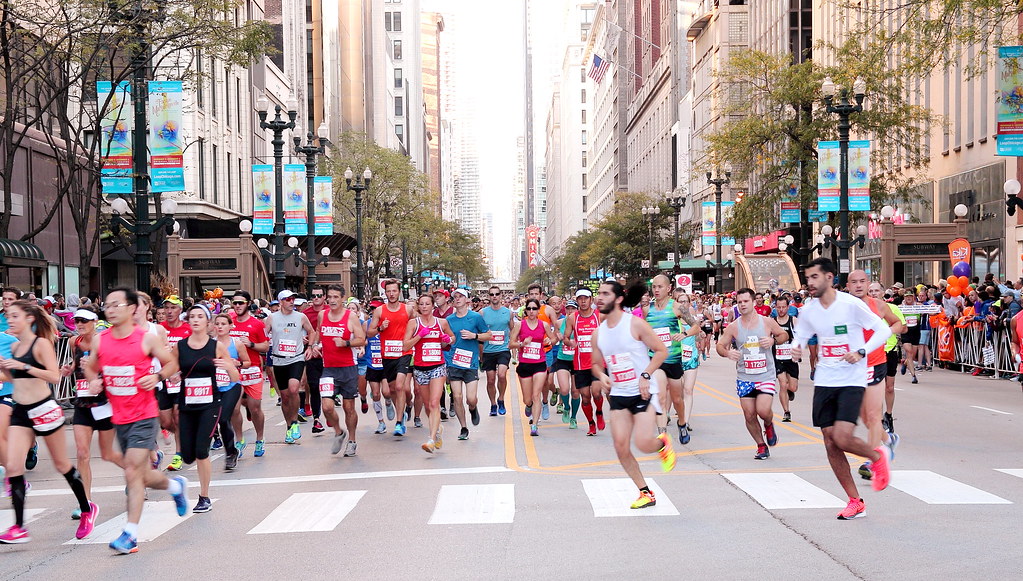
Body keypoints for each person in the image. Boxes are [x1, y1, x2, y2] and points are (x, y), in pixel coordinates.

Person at [83, 288, 189, 553]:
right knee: (141, 475)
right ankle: (175, 486)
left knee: (131, 469)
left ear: (132, 308)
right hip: (119, 416)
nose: (110, 309)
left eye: (116, 304)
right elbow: (90, 366)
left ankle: (129, 534)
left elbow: (172, 364)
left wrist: (157, 377)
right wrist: (94, 380)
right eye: (107, 305)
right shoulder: (100, 340)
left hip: (144, 414)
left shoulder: (145, 339)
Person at [790, 259, 894, 520]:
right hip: (825, 380)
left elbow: (883, 330)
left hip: (851, 379)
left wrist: (862, 351)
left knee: (842, 436)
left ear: (829, 277)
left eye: (815, 277)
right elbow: (801, 334)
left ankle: (876, 456)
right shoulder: (809, 310)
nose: (810, 283)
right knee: (829, 441)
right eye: (808, 278)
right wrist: (796, 346)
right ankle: (855, 501)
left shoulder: (851, 305)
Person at [0, 300, 96, 543]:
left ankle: (87, 508)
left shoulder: (41, 344)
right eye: (8, 315)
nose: (9, 319)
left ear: (29, 319)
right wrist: (6, 369)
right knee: (13, 467)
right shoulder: (15, 346)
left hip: (43, 408)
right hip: (21, 411)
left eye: (14, 315)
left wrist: (22, 365)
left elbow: (54, 376)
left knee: (62, 465)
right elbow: (15, 376)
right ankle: (19, 527)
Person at [590, 281, 676, 510]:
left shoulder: (635, 324)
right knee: (620, 446)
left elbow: (661, 351)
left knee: (643, 443)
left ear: (618, 299)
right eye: (598, 294)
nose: (599, 298)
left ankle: (661, 443)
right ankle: (645, 492)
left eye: (605, 294)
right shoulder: (598, 333)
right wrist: (601, 375)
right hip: (618, 394)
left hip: (642, 392)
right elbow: (595, 364)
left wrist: (646, 375)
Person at [62, 305, 124, 519]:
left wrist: (97, 368)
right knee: (82, 453)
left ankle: (136, 477)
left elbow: (116, 366)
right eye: (77, 321)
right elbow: (75, 361)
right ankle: (85, 503)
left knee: (109, 454)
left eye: (84, 321)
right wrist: (70, 367)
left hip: (104, 402)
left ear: (94, 323)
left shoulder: (105, 341)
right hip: (82, 403)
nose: (79, 325)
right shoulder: (74, 342)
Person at [176, 305, 238, 512]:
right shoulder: (180, 346)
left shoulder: (216, 346)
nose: (195, 320)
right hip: (187, 404)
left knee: (202, 450)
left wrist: (228, 367)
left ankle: (204, 497)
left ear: (207, 322)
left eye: (200, 316)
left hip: (210, 404)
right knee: (187, 455)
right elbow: (168, 366)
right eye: (191, 316)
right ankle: (186, 482)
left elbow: (235, 378)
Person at [717, 288, 789, 460]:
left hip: (765, 374)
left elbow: (784, 335)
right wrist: (728, 353)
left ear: (753, 302)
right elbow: (720, 346)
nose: (742, 305)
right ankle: (761, 445)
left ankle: (769, 424)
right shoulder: (734, 326)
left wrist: (773, 340)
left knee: (763, 410)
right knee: (749, 414)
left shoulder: (766, 322)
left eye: (745, 301)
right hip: (745, 376)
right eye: (739, 302)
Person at [847, 271, 905, 481]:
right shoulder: (843, 306)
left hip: (875, 363)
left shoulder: (878, 305)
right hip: (852, 366)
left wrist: (886, 332)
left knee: (872, 415)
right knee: (864, 416)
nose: (859, 285)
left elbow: (899, 324)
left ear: (869, 284)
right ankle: (889, 438)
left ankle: (872, 461)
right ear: (848, 285)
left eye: (863, 281)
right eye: (854, 282)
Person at [644, 275, 699, 443]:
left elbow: (696, 326)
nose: (657, 290)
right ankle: (662, 434)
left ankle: (682, 423)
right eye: (654, 287)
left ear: (668, 289)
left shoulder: (677, 308)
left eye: (660, 287)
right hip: (656, 360)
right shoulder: (647, 309)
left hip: (674, 359)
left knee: (677, 399)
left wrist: (684, 334)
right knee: (660, 396)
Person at [317, 284, 366, 457]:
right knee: (327, 407)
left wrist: (346, 343)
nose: (331, 300)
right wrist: (314, 346)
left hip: (348, 368)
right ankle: (339, 432)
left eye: (335, 297)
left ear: (343, 299)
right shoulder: (322, 314)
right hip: (328, 369)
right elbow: (318, 332)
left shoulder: (350, 316)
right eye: (329, 297)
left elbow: (362, 340)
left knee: (348, 407)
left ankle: (352, 441)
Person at [403, 295, 455, 453]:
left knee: (434, 403)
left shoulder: (442, 322)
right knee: (427, 405)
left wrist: (448, 339)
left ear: (433, 306)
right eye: (422, 304)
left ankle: (431, 439)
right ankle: (438, 429)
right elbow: (405, 346)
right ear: (418, 306)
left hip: (438, 366)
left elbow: (451, 337)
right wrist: (420, 335)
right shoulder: (413, 323)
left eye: (427, 304)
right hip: (420, 367)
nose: (424, 306)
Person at [268, 289, 317, 444]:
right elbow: (263, 335)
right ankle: (289, 426)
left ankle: (295, 422)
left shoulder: (300, 317)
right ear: (280, 302)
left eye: (293, 299)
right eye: (287, 299)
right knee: (285, 397)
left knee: (294, 388)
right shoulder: (271, 318)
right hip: (278, 360)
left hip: (296, 358)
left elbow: (312, 331)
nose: (291, 302)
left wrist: (310, 346)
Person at [368, 280, 415, 435]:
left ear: (399, 292)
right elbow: (369, 333)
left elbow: (418, 324)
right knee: (393, 389)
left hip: (404, 353)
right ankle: (401, 412)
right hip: (387, 354)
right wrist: (381, 328)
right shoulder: (379, 311)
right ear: (385, 293)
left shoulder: (408, 309)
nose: (392, 294)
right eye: (389, 291)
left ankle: (399, 422)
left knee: (400, 386)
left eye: (394, 291)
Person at [444, 288, 490, 440]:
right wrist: (447, 340)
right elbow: (446, 338)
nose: (457, 299)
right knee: (457, 397)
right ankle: (463, 427)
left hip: (470, 363)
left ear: (467, 300)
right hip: (454, 362)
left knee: (471, 398)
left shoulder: (476, 317)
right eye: (455, 297)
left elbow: (488, 335)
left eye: (460, 297)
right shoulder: (449, 320)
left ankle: (473, 408)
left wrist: (474, 336)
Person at [228, 290, 270, 458]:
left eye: (241, 303)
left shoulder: (257, 324)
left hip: (252, 370)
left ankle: (260, 438)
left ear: (248, 304)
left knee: (255, 408)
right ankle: (240, 440)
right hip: (234, 371)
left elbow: (265, 347)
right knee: (233, 408)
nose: (237, 306)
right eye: (235, 303)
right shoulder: (229, 323)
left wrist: (251, 344)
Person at [510, 298, 557, 436]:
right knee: (527, 399)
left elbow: (554, 339)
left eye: (534, 309)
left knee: (536, 395)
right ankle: (529, 406)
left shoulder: (543, 325)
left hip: (539, 363)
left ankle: (535, 425)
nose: (531, 311)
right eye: (529, 309)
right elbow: (511, 344)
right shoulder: (519, 325)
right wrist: (521, 344)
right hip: (525, 364)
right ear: (525, 311)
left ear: (538, 310)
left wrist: (550, 340)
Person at [564, 288, 605, 436]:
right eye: (580, 298)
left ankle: (599, 412)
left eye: (586, 298)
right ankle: (591, 423)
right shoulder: (572, 318)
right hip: (580, 364)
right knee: (585, 397)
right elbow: (566, 337)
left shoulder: (599, 316)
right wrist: (570, 343)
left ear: (591, 300)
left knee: (596, 392)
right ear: (577, 301)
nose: (583, 301)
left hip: (597, 363)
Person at [213, 313, 249, 470]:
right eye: (218, 324)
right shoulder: (210, 344)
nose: (220, 326)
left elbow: (248, 362)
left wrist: (238, 363)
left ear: (230, 326)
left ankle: (230, 452)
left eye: (223, 324)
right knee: (215, 419)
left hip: (232, 385)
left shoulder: (237, 343)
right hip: (215, 386)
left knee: (223, 418)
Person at [159, 295, 190, 471]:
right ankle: (185, 434)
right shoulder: (159, 329)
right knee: (165, 421)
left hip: (181, 379)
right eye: (167, 308)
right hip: (163, 379)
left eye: (173, 308)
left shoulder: (187, 330)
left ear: (180, 310)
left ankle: (178, 454)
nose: (169, 311)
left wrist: (181, 372)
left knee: (178, 416)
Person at [481, 285, 514, 416]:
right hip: (488, 351)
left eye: (497, 294)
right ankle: (493, 404)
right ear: (489, 297)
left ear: (501, 296)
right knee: (490, 380)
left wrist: (513, 343)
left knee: (501, 375)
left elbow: (513, 330)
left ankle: (501, 399)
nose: (494, 296)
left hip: (503, 349)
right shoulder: (483, 313)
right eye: (492, 294)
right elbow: (479, 331)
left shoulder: (508, 312)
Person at [300, 287, 329, 434]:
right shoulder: (305, 314)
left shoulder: (331, 311)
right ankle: (317, 419)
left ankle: (329, 413)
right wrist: (305, 340)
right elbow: (301, 332)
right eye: (313, 295)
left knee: (328, 387)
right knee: (314, 386)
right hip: (313, 355)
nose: (316, 298)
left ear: (324, 297)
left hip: (330, 356)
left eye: (319, 295)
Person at [772, 296, 798, 422]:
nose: (781, 310)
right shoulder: (772, 322)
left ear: (788, 307)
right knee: (783, 384)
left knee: (792, 387)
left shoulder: (794, 321)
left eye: (784, 307)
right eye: (779, 307)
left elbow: (801, 337)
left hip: (791, 358)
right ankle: (786, 412)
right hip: (777, 358)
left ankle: (790, 391)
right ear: (775, 307)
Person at [552, 300, 579, 426]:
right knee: (564, 389)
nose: (570, 311)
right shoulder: (559, 323)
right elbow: (552, 339)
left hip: (577, 360)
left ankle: (573, 417)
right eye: (568, 309)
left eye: (572, 309)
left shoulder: (580, 323)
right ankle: (566, 408)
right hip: (562, 358)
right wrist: (557, 338)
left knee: (575, 391)